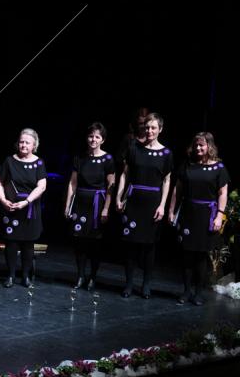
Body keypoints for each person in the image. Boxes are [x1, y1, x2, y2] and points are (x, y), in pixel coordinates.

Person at [115, 113, 172, 299]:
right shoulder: (134, 148)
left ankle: (146, 284)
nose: (149, 131)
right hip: (133, 201)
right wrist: (119, 196)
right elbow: (124, 174)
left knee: (149, 247)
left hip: (153, 203)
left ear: (160, 129)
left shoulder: (166, 153)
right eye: (147, 127)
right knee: (130, 245)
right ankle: (129, 284)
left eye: (153, 127)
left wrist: (162, 205)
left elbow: (167, 180)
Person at [168, 132, 228, 305]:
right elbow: (177, 190)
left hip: (207, 215)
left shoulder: (219, 168)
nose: (198, 148)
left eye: (202, 145)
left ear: (209, 146)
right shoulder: (188, 165)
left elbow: (222, 193)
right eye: (196, 145)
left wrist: (219, 216)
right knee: (187, 254)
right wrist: (171, 211)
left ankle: (198, 293)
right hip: (188, 213)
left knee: (201, 256)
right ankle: (186, 291)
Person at [64, 122, 115, 290]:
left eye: (97, 137)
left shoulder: (107, 159)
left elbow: (110, 186)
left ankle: (92, 277)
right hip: (80, 203)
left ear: (103, 140)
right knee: (79, 241)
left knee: (95, 243)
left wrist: (106, 208)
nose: (93, 139)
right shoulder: (80, 158)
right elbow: (72, 183)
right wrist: (68, 205)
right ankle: (80, 276)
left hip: (97, 204)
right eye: (91, 136)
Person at [0, 128, 47, 287]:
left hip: (30, 208)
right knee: (11, 243)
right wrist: (3, 200)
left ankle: (25, 276)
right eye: (21, 142)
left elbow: (42, 186)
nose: (23, 145)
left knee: (28, 244)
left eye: (27, 143)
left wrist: (27, 201)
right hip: (11, 207)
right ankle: (10, 276)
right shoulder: (9, 161)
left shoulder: (39, 162)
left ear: (34, 145)